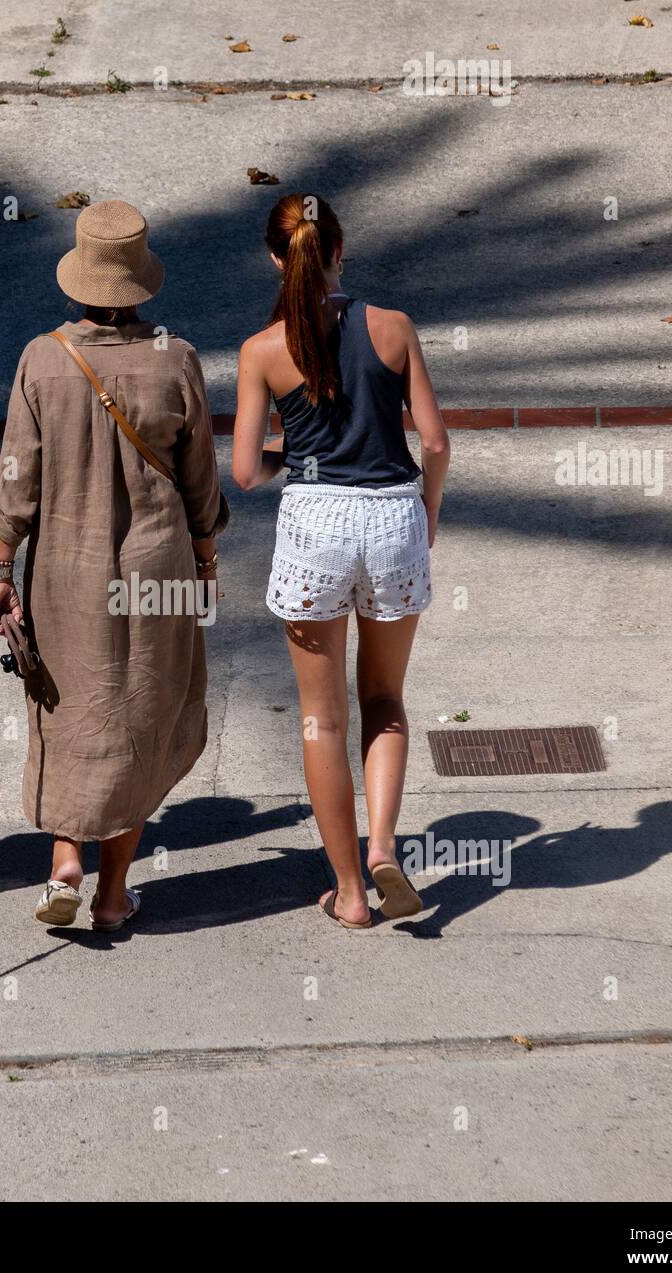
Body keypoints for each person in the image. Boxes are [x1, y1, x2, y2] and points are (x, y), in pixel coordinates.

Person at [0, 200, 227, 931]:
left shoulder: (42, 357)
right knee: (141, 716)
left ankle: (65, 859)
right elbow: (201, 480)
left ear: (77, 279)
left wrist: (1, 569)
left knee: (73, 709)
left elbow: (15, 480)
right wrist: (207, 555)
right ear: (141, 283)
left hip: (65, 568)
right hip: (159, 565)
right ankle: (114, 894)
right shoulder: (175, 359)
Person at [232, 193, 449, 930]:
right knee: (384, 700)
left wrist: (290, 460)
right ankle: (385, 848)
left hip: (316, 518)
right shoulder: (394, 327)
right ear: (340, 251)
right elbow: (438, 443)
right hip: (393, 513)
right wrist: (428, 515)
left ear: (274, 257)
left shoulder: (262, 350)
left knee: (321, 721)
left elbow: (243, 472)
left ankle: (350, 893)